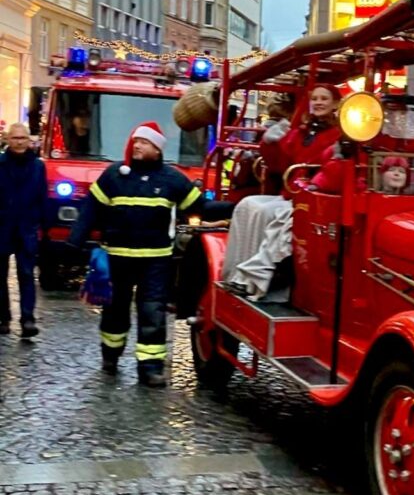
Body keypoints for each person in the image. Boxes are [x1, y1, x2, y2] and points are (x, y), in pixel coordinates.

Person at [68, 121, 205, 388]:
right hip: (117, 258)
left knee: (152, 311)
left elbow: (201, 206)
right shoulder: (114, 175)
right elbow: (91, 209)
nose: (137, 144)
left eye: (144, 142)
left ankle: (151, 368)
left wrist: (238, 207)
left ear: (157, 148)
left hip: (155, 260)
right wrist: (74, 243)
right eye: (137, 141)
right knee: (114, 310)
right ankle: (111, 355)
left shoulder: (172, 178)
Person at [222, 84, 342, 300]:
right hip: (292, 193)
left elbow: (331, 169)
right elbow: (278, 163)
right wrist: (270, 143)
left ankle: (257, 279)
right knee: (248, 205)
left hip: (311, 198)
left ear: (335, 104)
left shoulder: (339, 135)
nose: (319, 102)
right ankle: (237, 272)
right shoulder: (302, 132)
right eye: (315, 98)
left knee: (273, 215)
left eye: (324, 98)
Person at [0, 123, 47, 339]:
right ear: (7, 140)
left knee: (27, 274)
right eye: (15, 138)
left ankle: (27, 318)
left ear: (29, 140)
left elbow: (42, 198)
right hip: (3, 226)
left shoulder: (38, 166)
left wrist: (43, 228)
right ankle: (3, 317)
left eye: (23, 138)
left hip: (27, 228)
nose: (19, 142)